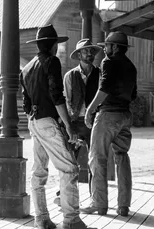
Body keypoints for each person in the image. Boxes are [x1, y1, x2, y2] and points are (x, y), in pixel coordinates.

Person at [20, 24, 97, 229]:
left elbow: (25, 104)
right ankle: (71, 219)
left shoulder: (27, 68)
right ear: (53, 45)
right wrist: (69, 126)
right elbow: (57, 95)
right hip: (47, 121)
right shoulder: (51, 62)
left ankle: (42, 218)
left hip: (33, 122)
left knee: (39, 171)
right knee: (70, 168)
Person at [81, 31, 137, 217]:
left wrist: (90, 109)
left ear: (114, 47)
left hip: (108, 115)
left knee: (97, 157)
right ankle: (123, 206)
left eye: (106, 46)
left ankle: (99, 203)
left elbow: (104, 88)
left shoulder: (108, 62)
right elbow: (134, 94)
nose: (104, 49)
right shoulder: (131, 67)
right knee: (122, 156)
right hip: (125, 116)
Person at [54, 39, 102, 206]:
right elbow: (66, 101)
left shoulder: (100, 74)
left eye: (91, 51)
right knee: (69, 160)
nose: (89, 54)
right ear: (79, 55)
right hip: (74, 122)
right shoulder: (70, 76)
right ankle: (63, 196)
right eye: (85, 51)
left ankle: (94, 199)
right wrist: (68, 125)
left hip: (94, 123)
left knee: (94, 161)